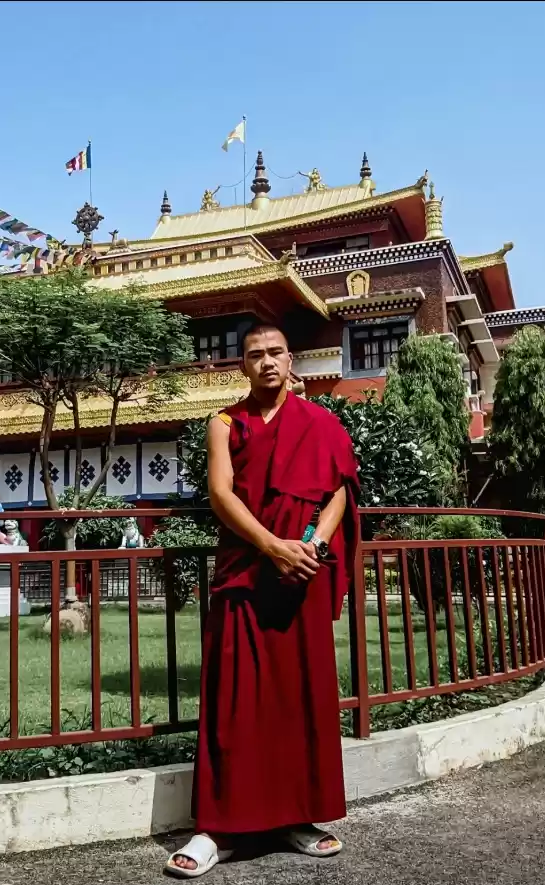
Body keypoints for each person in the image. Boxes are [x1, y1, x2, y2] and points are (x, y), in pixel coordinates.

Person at [166, 323, 360, 878]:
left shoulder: (320, 421)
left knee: (299, 698)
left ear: (290, 358)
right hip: (247, 574)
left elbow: (339, 490)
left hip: (301, 575)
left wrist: (312, 547)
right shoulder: (225, 422)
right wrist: (272, 546)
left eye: (276, 352)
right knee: (233, 704)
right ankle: (216, 829)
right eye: (256, 355)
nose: (268, 362)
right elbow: (221, 493)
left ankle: (298, 817)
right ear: (243, 365)